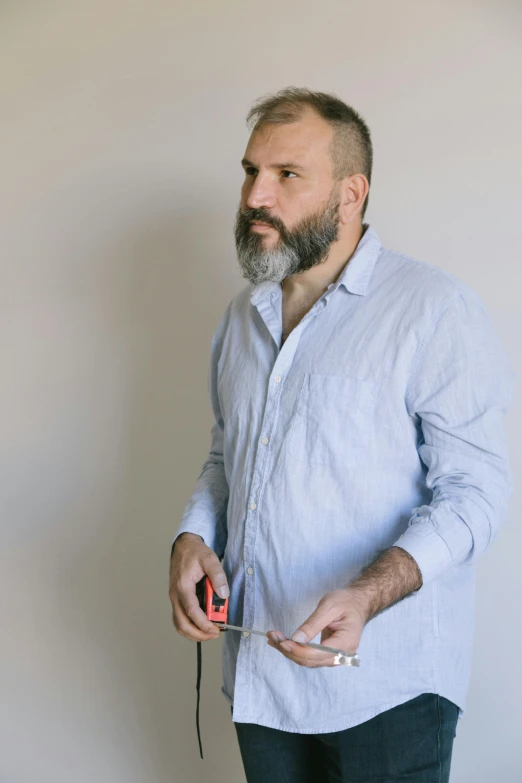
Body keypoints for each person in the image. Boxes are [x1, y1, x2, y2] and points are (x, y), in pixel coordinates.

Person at [168, 87, 514, 782]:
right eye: (250, 171)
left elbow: (475, 493)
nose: (256, 195)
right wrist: (192, 537)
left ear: (351, 194)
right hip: (262, 683)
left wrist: (364, 596)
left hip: (387, 688)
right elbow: (225, 453)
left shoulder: (432, 308)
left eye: (286, 175)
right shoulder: (241, 319)